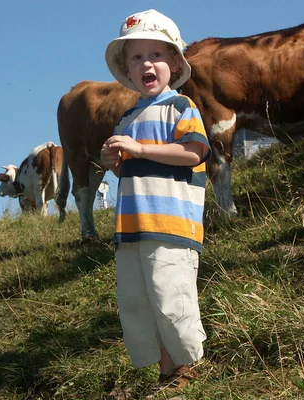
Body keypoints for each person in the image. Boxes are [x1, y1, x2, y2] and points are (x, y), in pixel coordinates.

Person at [101, 9, 211, 389]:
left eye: (157, 55)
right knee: (140, 302)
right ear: (127, 69)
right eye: (136, 57)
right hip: (132, 228)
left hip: (170, 225)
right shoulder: (127, 117)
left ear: (175, 63)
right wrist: (114, 161)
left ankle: (188, 367)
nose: (147, 63)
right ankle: (167, 372)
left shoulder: (181, 107)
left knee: (171, 295)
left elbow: (194, 152)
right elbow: (129, 170)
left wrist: (140, 148)